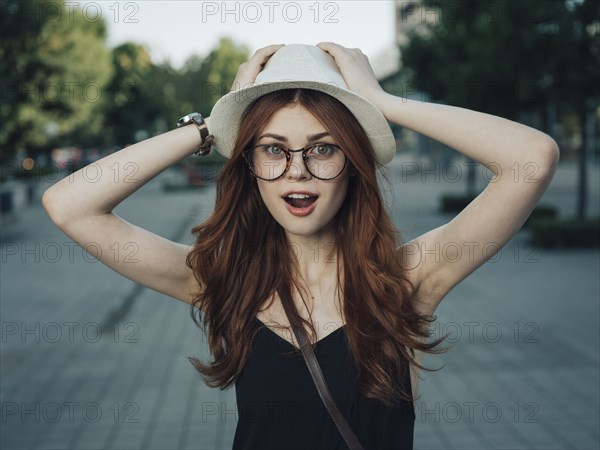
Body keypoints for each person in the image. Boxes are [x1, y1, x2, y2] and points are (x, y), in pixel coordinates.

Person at [42, 43, 559, 449]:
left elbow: (530, 158)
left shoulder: (406, 280)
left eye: (323, 148)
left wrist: (381, 104)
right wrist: (211, 125)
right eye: (273, 149)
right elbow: (70, 205)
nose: (298, 172)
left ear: (353, 165)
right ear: (248, 164)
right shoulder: (226, 282)